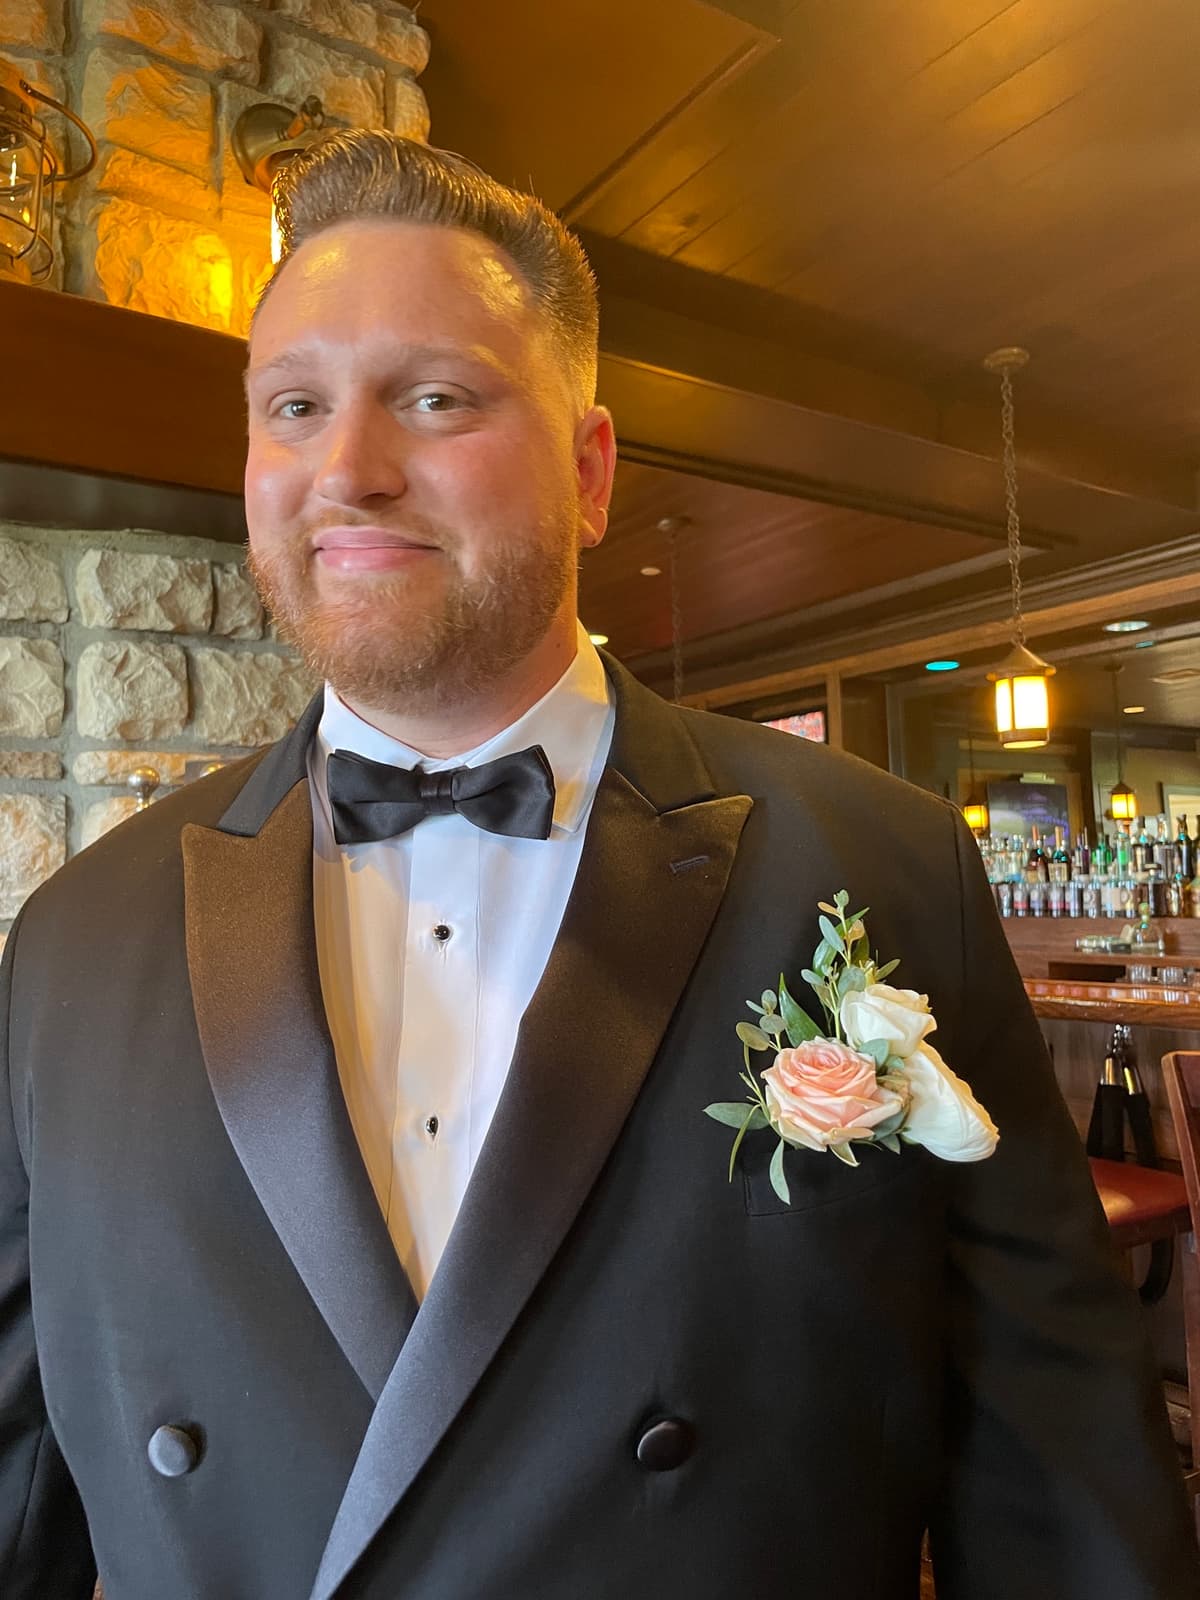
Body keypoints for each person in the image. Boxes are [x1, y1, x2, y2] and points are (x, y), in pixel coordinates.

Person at [0, 131, 1196, 1600]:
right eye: (293, 407)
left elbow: (1062, 1480)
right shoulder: (68, 942)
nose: (347, 470)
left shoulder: (885, 863)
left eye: (433, 399)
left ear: (590, 470)